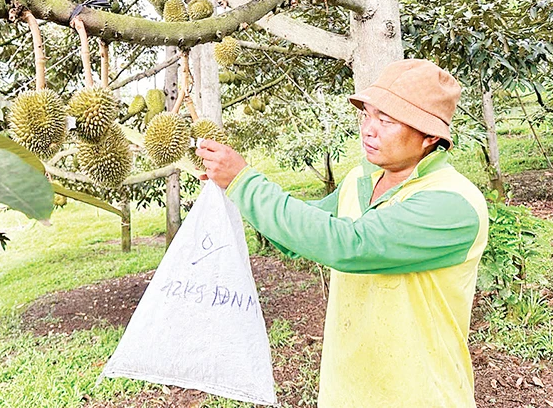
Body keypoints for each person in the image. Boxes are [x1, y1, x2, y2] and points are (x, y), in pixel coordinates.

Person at [195, 58, 488, 408]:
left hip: (418, 395)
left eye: (387, 120)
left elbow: (348, 244)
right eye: (368, 114)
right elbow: (302, 234)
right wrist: (233, 190)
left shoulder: (453, 204)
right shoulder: (360, 180)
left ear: (429, 137)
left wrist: (245, 182)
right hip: (347, 389)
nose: (368, 128)